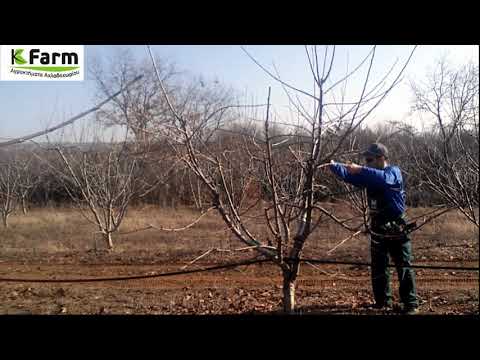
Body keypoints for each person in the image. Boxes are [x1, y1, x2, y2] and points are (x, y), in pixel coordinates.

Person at [328, 143, 419, 314]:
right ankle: (383, 302)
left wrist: (360, 169)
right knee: (378, 266)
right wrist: (333, 166)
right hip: (377, 226)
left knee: (403, 265)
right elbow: (349, 176)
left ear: (382, 158)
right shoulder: (369, 175)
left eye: (369, 159)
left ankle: (411, 304)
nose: (367, 162)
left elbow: (383, 179)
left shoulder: (393, 172)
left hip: (397, 226)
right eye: (365, 160)